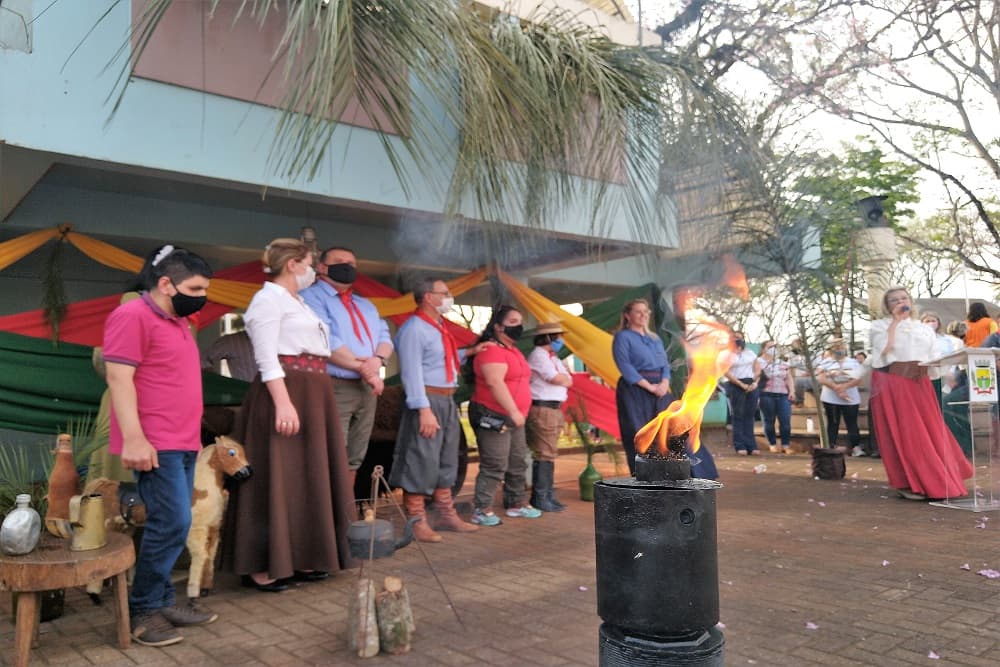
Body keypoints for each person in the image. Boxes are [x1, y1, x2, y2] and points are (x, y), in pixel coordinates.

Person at [221, 238, 354, 592]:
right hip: (286, 390)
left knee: (307, 475)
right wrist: (282, 402)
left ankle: (305, 556)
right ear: (294, 263)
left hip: (313, 391)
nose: (314, 270)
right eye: (310, 262)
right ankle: (264, 564)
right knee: (277, 475)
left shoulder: (300, 303)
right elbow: (266, 357)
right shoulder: (267, 299)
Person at [103, 245, 217, 646]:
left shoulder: (178, 322)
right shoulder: (131, 315)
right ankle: (143, 611)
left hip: (182, 440)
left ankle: (162, 600)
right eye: (196, 287)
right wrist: (134, 438)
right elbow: (119, 379)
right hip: (154, 442)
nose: (201, 295)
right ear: (166, 283)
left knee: (173, 521)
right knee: (172, 523)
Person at [390, 277, 484, 542]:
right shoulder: (414, 328)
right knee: (421, 458)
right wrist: (423, 409)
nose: (449, 297)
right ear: (428, 297)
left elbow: (443, 359)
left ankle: (444, 513)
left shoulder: (439, 327)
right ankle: (416, 520)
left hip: (446, 399)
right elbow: (411, 372)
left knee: (446, 457)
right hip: (427, 399)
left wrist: (473, 351)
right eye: (444, 293)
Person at [869, 286, 973, 500]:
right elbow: (883, 352)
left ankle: (937, 478)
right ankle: (910, 481)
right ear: (887, 306)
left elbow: (933, 354)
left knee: (930, 430)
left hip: (920, 382)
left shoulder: (923, 328)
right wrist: (896, 323)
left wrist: (944, 369)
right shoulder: (879, 326)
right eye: (894, 300)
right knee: (908, 432)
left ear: (911, 301)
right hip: (894, 381)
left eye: (903, 298)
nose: (900, 302)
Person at [301, 246, 393, 487]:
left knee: (356, 453)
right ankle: (327, 514)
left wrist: (377, 361)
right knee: (332, 450)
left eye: (352, 264)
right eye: (340, 262)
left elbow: (385, 336)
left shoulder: (365, 304)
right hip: (334, 384)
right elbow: (327, 341)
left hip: (367, 385)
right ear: (321, 267)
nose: (347, 267)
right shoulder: (310, 297)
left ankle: (345, 511)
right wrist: (365, 369)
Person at [612, 299, 717, 477]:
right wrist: (650, 387)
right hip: (636, 391)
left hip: (661, 389)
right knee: (639, 433)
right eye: (638, 312)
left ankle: (689, 473)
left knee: (675, 429)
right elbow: (625, 366)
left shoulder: (655, 339)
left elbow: (665, 365)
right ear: (627, 315)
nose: (644, 315)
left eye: (646, 312)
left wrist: (664, 383)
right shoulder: (622, 337)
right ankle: (645, 477)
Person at [468, 305, 541, 526]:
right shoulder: (491, 350)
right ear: (498, 327)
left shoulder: (514, 350)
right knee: (495, 463)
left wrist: (519, 412)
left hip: (516, 416)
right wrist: (512, 411)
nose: (518, 326)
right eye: (512, 322)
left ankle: (516, 503)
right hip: (493, 415)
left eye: (520, 321)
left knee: (517, 461)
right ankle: (481, 509)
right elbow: (494, 382)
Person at [526, 322, 573, 512]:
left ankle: (547, 494)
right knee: (544, 452)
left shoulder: (551, 357)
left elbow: (568, 378)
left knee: (549, 452)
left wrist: (565, 379)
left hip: (553, 408)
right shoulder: (538, 355)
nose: (560, 340)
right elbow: (556, 379)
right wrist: (565, 380)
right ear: (547, 337)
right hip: (543, 408)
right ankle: (540, 496)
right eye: (557, 336)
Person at [816, 337, 863, 457]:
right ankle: (831, 446)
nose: (839, 348)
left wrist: (844, 387)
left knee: (851, 423)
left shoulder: (853, 362)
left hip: (850, 398)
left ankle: (854, 447)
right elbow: (821, 378)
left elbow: (858, 379)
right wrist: (836, 387)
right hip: (830, 398)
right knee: (833, 422)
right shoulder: (825, 362)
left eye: (841, 345)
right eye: (836, 346)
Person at [723, 331, 760, 455]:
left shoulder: (750, 353)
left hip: (751, 384)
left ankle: (751, 445)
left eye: (740, 338)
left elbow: (757, 369)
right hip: (736, 385)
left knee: (749, 416)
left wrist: (755, 383)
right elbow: (726, 372)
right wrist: (740, 384)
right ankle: (740, 445)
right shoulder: (727, 354)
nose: (738, 340)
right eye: (735, 338)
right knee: (738, 416)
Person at [754, 340, 795, 454]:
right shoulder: (758, 362)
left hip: (782, 394)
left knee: (785, 420)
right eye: (770, 347)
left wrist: (792, 390)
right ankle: (772, 444)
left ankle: (785, 445)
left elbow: (788, 377)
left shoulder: (782, 362)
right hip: (766, 394)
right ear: (763, 349)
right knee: (769, 420)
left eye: (775, 347)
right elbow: (755, 377)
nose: (773, 349)